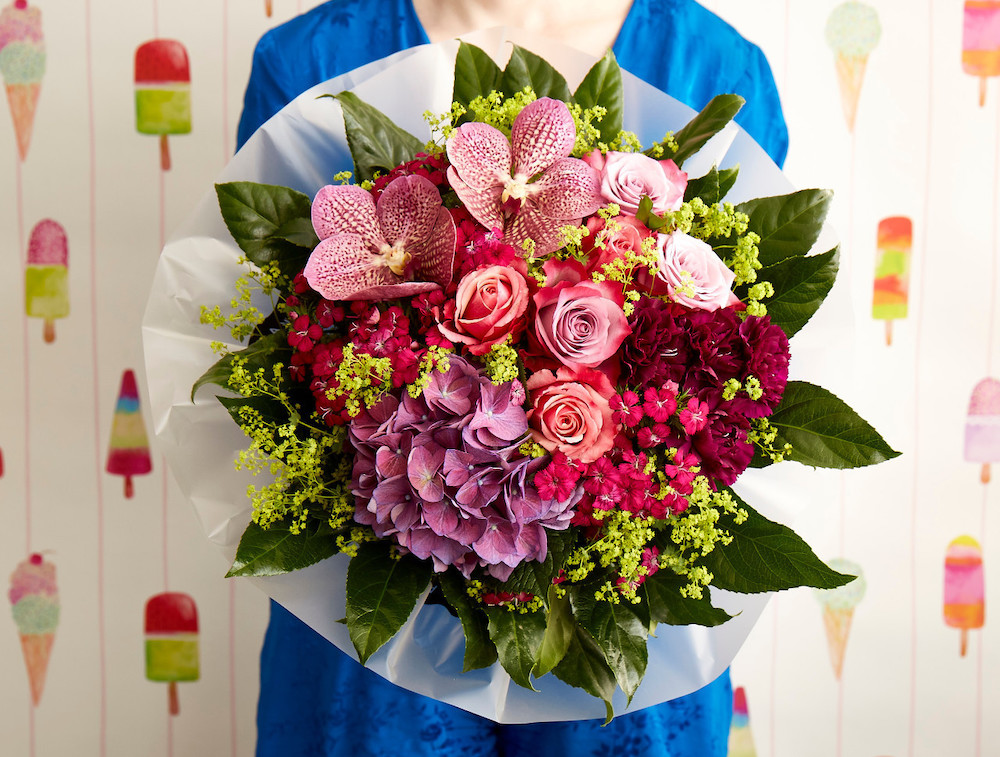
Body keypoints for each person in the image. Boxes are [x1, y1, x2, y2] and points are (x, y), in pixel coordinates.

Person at [237, 2, 788, 755]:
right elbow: (281, 359)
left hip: (617, 660)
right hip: (375, 644)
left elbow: (750, 380)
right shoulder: (307, 61)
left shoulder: (718, 71)